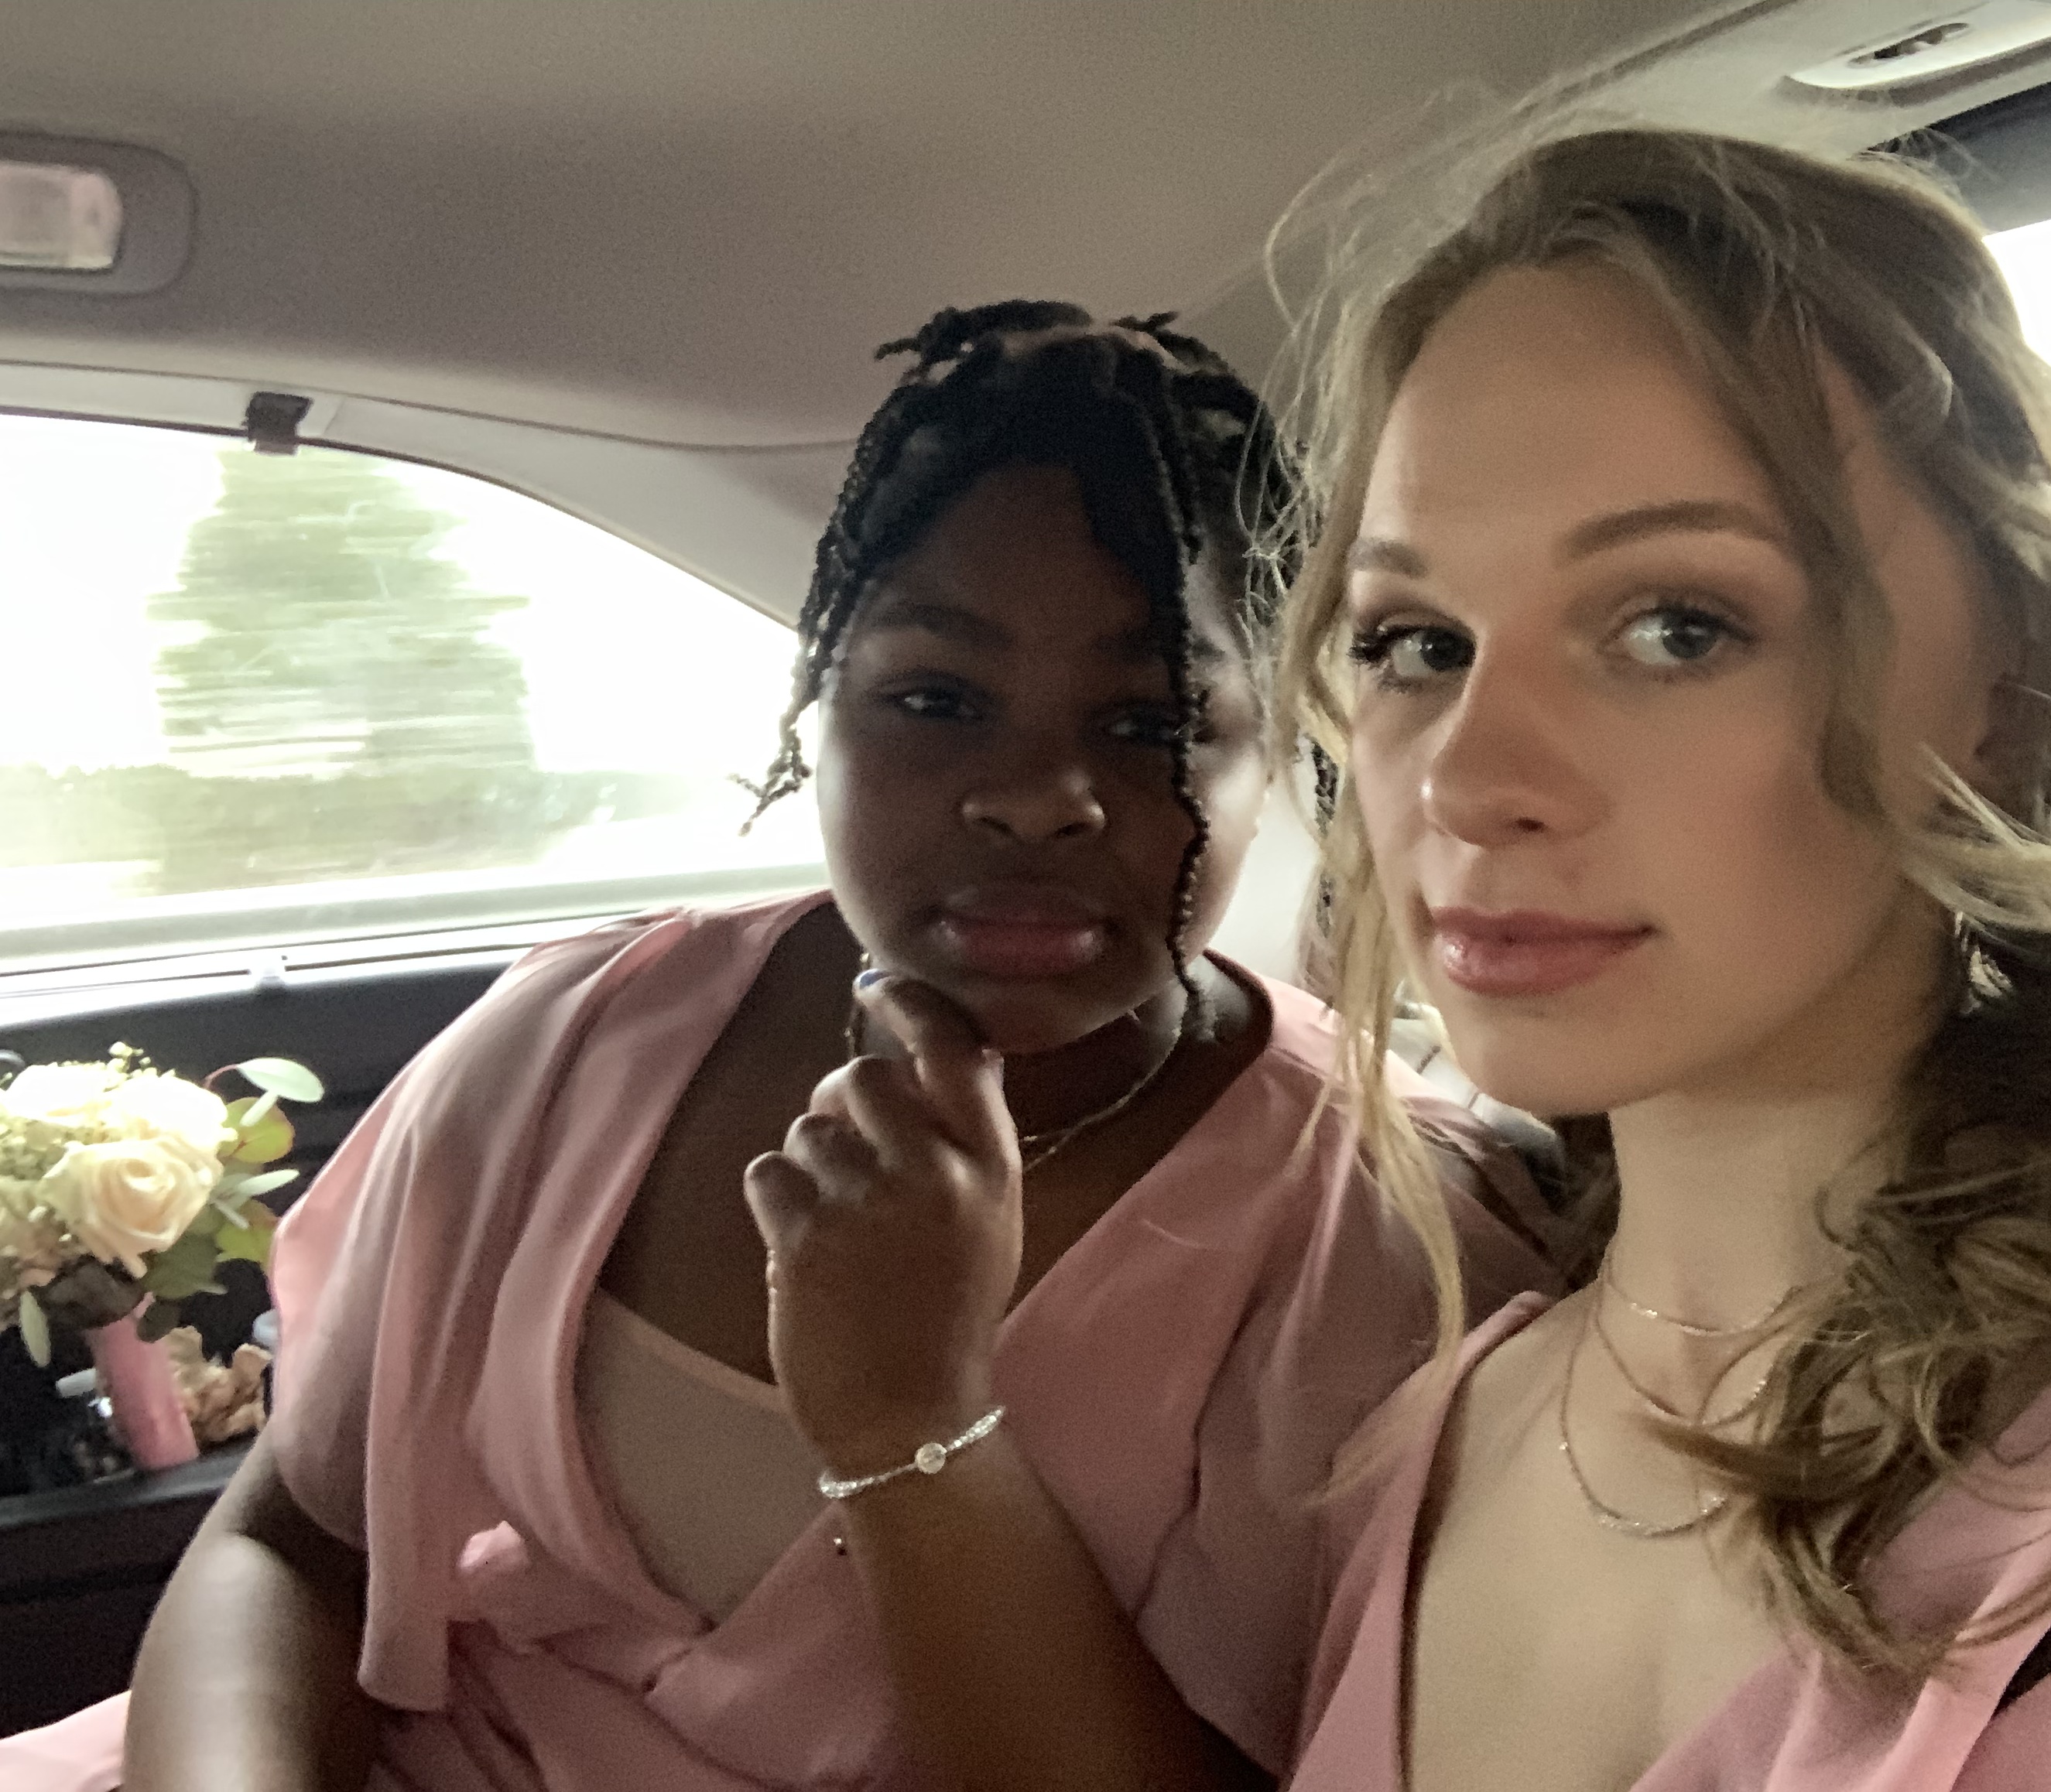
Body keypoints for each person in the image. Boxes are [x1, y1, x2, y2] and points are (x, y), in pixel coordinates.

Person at [1, 303, 1564, 1792]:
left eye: (1149, 724)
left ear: (1277, 751)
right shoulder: (575, 1038)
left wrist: (911, 1419)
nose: (1036, 797)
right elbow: (291, 1542)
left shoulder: (1393, 1237)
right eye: (936, 698)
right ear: (818, 708)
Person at [1260, 128, 2051, 1790]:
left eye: (1677, 628)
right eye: (1416, 642)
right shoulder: (1414, 1453)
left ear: (2005, 697)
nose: (1466, 779)